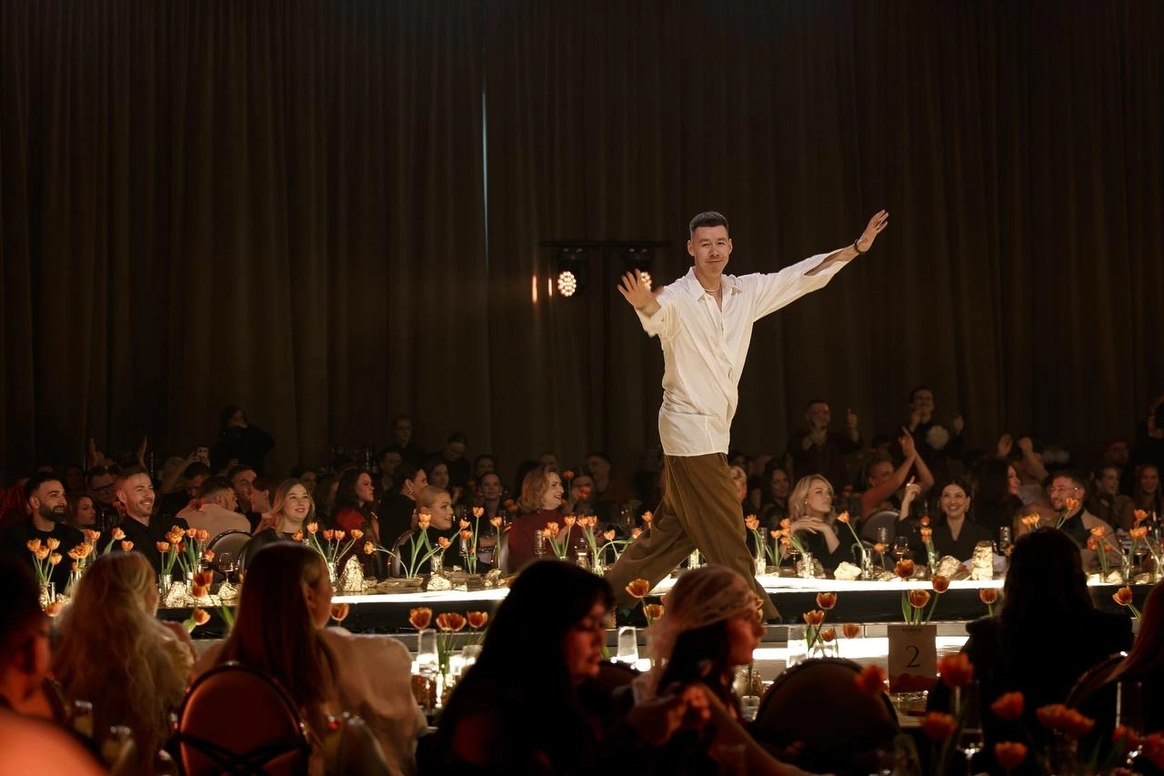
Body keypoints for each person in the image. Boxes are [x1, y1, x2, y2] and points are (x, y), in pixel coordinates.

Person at [607, 209, 888, 619]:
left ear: (731, 246)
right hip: (687, 427)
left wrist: (855, 249)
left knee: (675, 531)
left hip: (715, 429)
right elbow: (658, 316)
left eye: (720, 242)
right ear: (691, 248)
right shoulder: (677, 297)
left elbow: (799, 277)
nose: (713, 251)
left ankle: (604, 597)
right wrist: (644, 305)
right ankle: (758, 614)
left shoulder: (745, 291)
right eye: (705, 243)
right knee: (727, 528)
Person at [435, 559, 712, 775]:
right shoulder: (489, 713)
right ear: (545, 629)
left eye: (601, 625)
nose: (599, 639)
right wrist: (634, 734)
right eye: (586, 626)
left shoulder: (585, 690)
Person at [194, 542, 425, 776]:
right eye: (328, 583)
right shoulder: (370, 656)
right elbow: (406, 734)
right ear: (309, 596)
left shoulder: (210, 666)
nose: (332, 592)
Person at [927, 528, 1132, 775]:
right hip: (1090, 766)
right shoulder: (1112, 633)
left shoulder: (989, 638)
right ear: (1078, 577)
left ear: (1013, 580)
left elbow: (940, 707)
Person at [635, 565, 819, 776]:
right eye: (747, 618)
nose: (760, 630)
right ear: (712, 624)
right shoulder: (693, 696)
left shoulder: (711, 683)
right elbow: (770, 770)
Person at [52, 552, 195, 776]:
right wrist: (186, 643)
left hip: (71, 762)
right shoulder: (169, 651)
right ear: (143, 594)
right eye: (153, 586)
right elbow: (196, 708)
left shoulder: (61, 647)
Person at [0, 473, 84, 593]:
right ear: (35, 502)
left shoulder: (73, 536)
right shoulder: (14, 538)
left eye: (63, 495)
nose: (62, 501)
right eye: (54, 495)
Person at [779, 475, 854, 572]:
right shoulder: (788, 526)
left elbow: (847, 567)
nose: (827, 497)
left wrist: (827, 530)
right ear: (805, 498)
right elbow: (780, 563)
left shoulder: (840, 525)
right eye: (819, 492)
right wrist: (792, 529)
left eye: (828, 492)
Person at [786, 400, 861, 492]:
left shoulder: (836, 439)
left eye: (825, 412)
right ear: (807, 416)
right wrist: (816, 431)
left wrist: (852, 429)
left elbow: (855, 444)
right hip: (808, 492)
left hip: (836, 492)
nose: (822, 416)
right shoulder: (799, 437)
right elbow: (799, 449)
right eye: (817, 412)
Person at [241, 479, 316, 568]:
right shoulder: (264, 540)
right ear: (281, 503)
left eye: (305, 497)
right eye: (293, 497)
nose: (301, 502)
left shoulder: (317, 539)